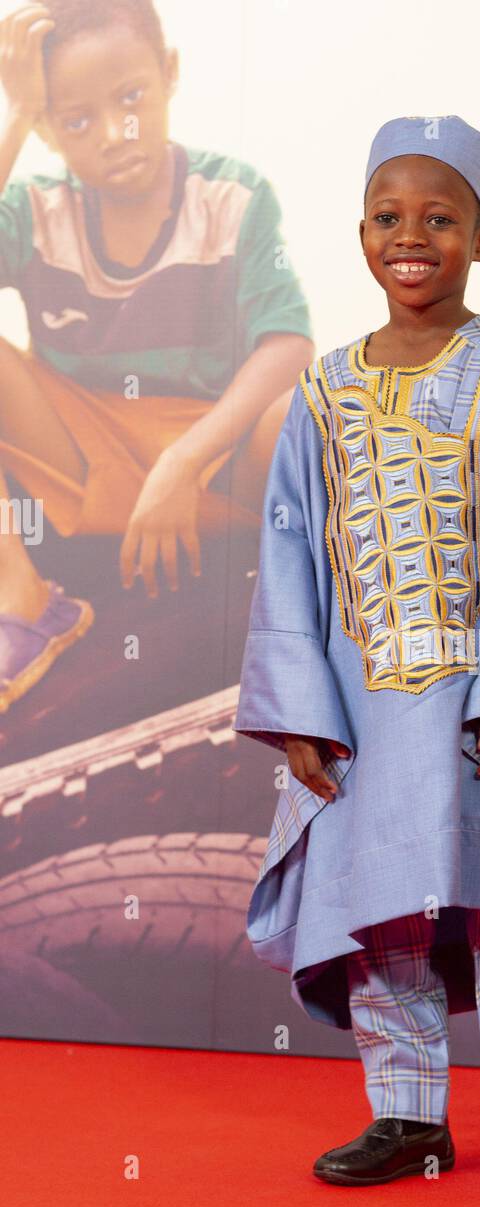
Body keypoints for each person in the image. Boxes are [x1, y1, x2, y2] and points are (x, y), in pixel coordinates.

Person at [233, 114, 480, 1207]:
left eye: (440, 219)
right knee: (382, 919)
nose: (412, 237)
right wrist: (299, 710)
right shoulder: (319, 390)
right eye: (388, 217)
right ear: (359, 232)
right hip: (362, 709)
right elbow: (288, 551)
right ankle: (407, 1116)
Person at [0, 0, 314, 712]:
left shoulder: (230, 196)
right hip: (82, 462)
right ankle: (21, 593)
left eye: (131, 99)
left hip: (211, 462)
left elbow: (289, 341)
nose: (114, 134)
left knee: (312, 411)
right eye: (75, 119)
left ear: (169, 74)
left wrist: (184, 461)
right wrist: (15, 111)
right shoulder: (36, 209)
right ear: (49, 127)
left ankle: (325, 600)